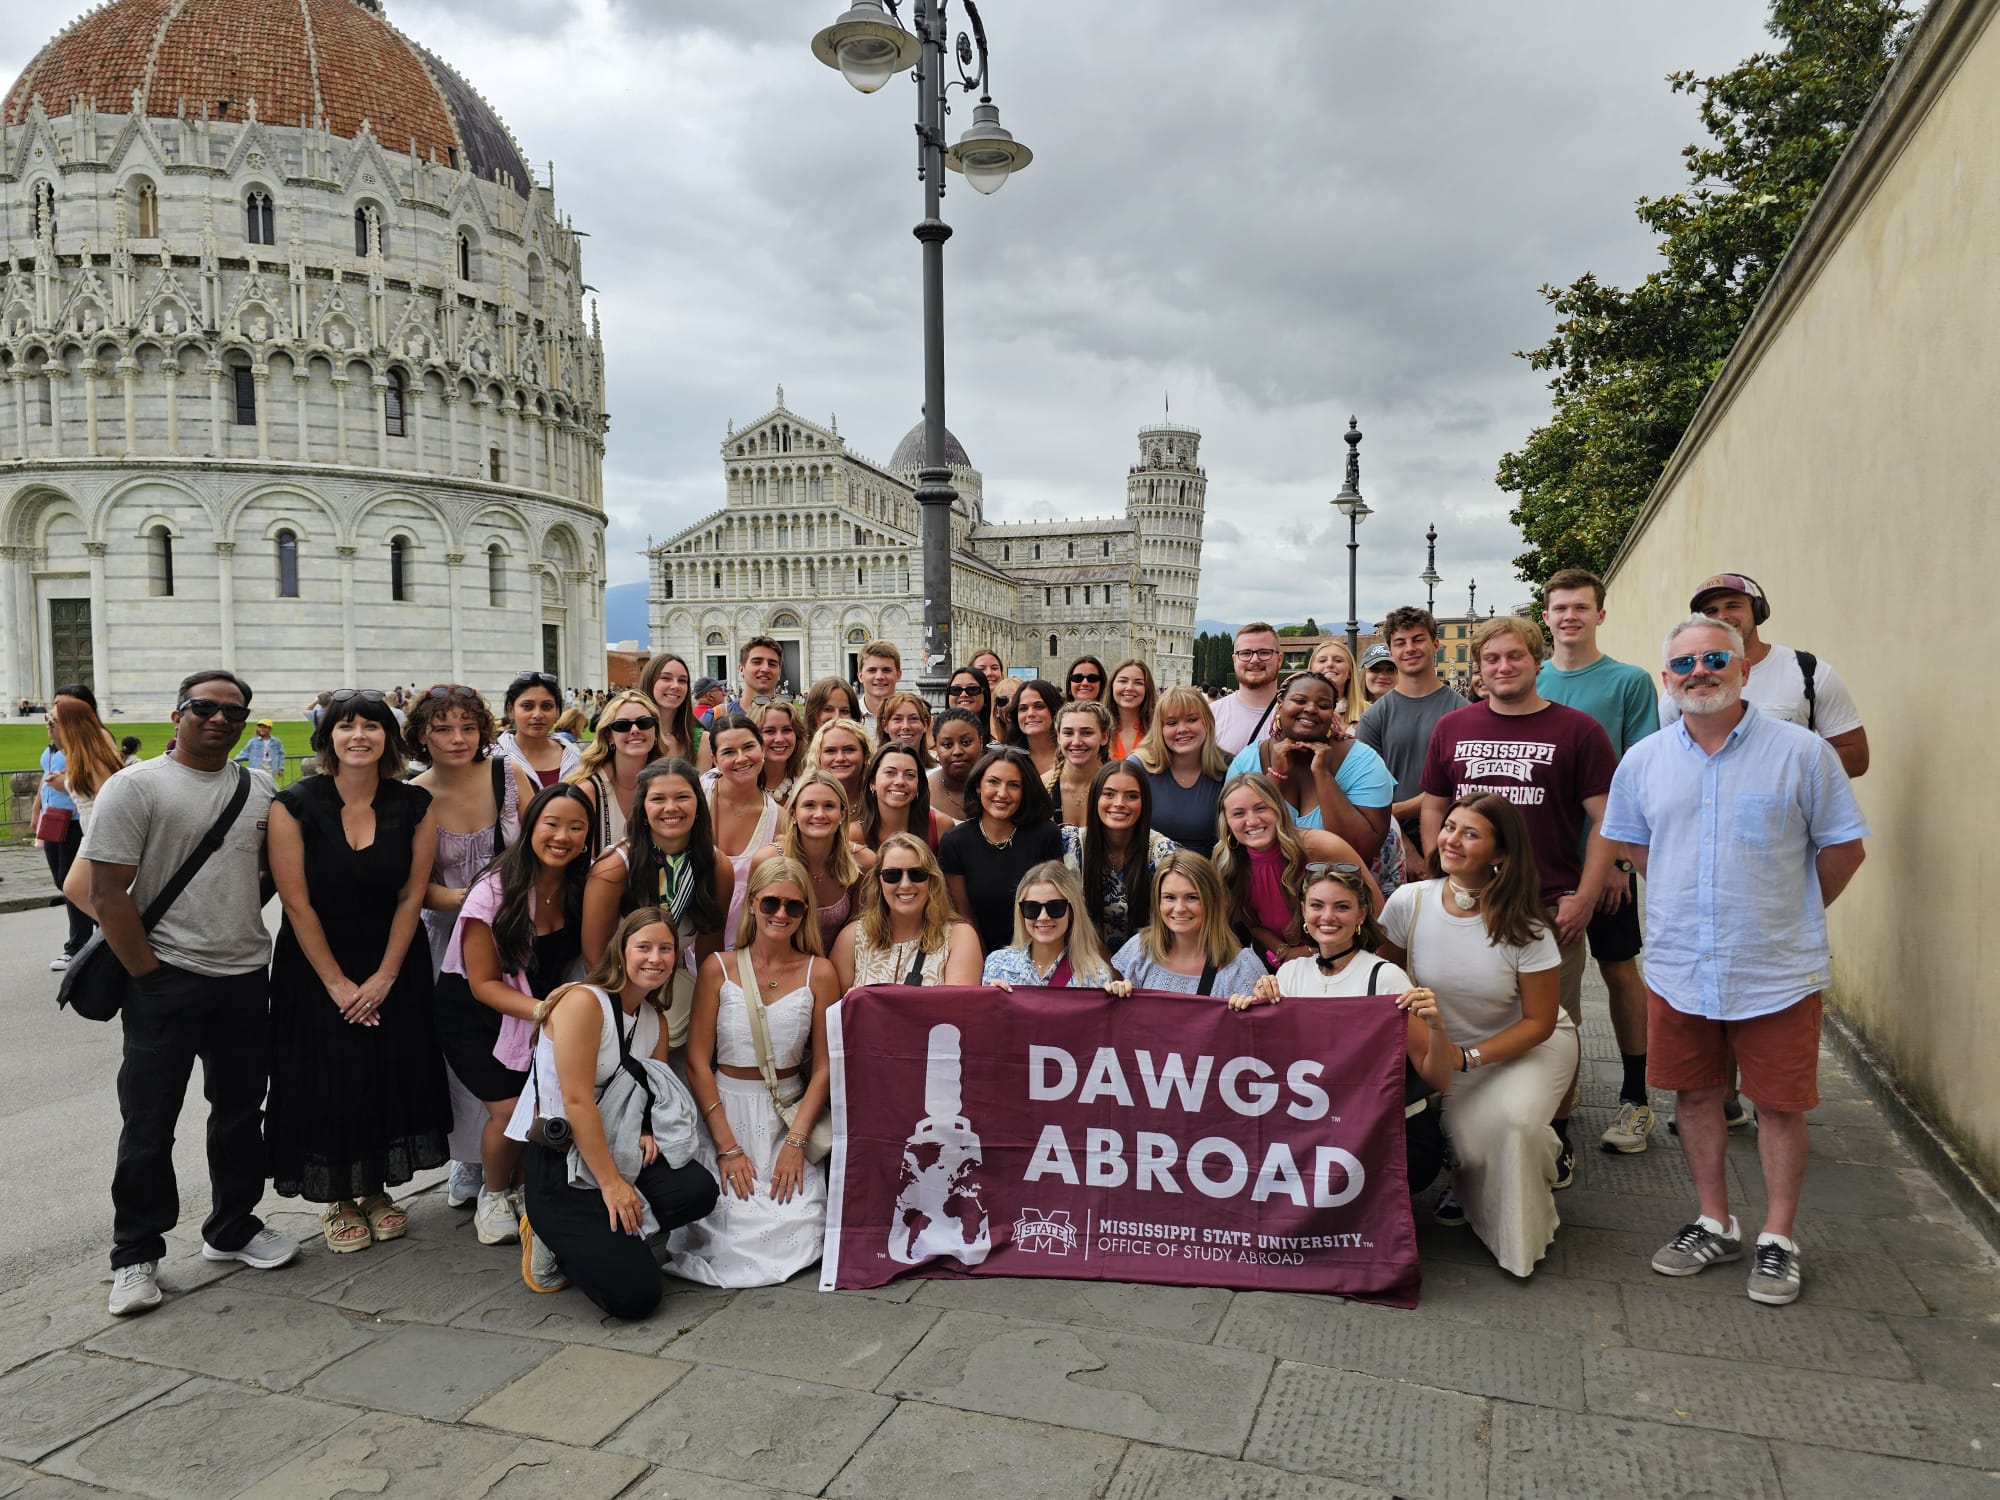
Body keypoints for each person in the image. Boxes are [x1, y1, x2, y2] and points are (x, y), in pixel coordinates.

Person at [1602, 616, 1868, 1306]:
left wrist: (1789, 911)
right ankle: (1713, 1221)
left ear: (1744, 667)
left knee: (1779, 1105)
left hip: (1775, 965)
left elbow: (1844, 848)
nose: (1700, 672)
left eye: (1714, 658)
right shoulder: (1645, 761)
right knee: (1694, 1094)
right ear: (1667, 680)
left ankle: (1779, 1237)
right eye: (1684, 665)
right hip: (1680, 962)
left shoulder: (1803, 754)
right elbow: (1637, 849)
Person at [83, 670, 296, 1315]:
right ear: (177, 714)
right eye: (204, 708)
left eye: (234, 712)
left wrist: (234, 917)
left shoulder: (258, 788)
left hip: (241, 975)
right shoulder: (136, 786)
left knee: (239, 1114)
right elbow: (101, 892)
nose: (219, 719)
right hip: (165, 980)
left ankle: (232, 1228)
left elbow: (265, 874)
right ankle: (135, 1255)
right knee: (148, 1122)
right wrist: (147, 974)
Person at [1420, 615, 1617, 1189]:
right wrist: (1440, 872)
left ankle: (1554, 1134)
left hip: (1547, 906)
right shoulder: (1454, 727)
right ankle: (1465, 1147)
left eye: (1514, 657)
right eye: (1491, 660)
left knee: (1556, 1029)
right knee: (1460, 1021)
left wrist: (1584, 893)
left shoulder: (1578, 731)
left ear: (1537, 661)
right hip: (1467, 907)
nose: (1502, 668)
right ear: (1478, 671)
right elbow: (1435, 805)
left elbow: (1606, 819)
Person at [265, 688, 450, 1255]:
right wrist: (340, 985)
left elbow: (412, 894)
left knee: (383, 1070)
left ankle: (374, 1192)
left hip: (392, 957)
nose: (359, 736)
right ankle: (337, 1198)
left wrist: (385, 978)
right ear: (328, 739)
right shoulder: (294, 805)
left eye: (371, 726)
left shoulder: (414, 805)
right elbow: (296, 904)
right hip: (316, 963)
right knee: (328, 1074)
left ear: (388, 739)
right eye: (346, 727)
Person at [1376, 794, 1573, 1277]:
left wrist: (1470, 1058)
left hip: (1521, 1048)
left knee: (1515, 1126)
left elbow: (1540, 1022)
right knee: (1468, 1148)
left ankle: (1523, 1228)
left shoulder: (1525, 926)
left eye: (1470, 833)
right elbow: (1382, 978)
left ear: (1500, 854)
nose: (1451, 840)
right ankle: (1520, 1162)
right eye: (1449, 827)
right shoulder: (1410, 902)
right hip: (1442, 1050)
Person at [511, 908, 720, 1314]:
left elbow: (650, 1088)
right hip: (563, 1163)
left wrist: (645, 1130)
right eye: (643, 947)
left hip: (619, 1149)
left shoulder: (655, 1021)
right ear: (621, 951)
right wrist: (611, 1184)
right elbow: (576, 1101)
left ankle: (614, 1236)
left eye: (665, 949)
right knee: (635, 1296)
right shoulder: (582, 1003)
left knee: (698, 1190)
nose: (655, 958)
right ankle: (547, 1233)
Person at [1536, 568, 1662, 1154]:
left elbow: (1637, 775)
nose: (1569, 617)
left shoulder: (1629, 683)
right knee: (1538, 987)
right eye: (1560, 607)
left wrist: (1615, 863)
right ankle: (1562, 1090)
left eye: (1581, 607)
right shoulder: (1528, 679)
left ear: (1599, 615)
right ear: (1546, 616)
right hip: (1539, 867)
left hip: (1602, 858)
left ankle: (1636, 1098)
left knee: (1617, 970)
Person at [669, 858, 840, 1286]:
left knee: (796, 1223)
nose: (780, 914)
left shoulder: (819, 972)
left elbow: (824, 1067)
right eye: (771, 903)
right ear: (752, 905)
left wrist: (797, 1143)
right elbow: (696, 1061)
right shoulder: (719, 968)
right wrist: (726, 1147)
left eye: (794, 907)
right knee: (726, 1230)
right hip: (726, 1110)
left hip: (787, 1114)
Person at [1241, 862, 1458, 1193]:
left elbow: (1437, 1078)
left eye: (1341, 906)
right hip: (1313, 1124)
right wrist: (1248, 1011)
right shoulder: (1289, 975)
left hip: (1379, 1127)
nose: (1327, 916)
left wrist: (1436, 1027)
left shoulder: (1385, 977)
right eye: (1317, 905)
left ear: (1361, 915)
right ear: (1303, 911)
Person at [409, 684, 535, 1211]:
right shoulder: (415, 794)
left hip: (517, 933)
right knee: (461, 1052)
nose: (457, 739)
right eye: (442, 728)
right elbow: (412, 882)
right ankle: (470, 1156)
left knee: (515, 1043)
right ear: (421, 735)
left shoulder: (508, 775)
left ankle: (515, 1155)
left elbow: (541, 842)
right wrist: (473, 899)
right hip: (450, 933)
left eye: (467, 727)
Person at [1662, 572, 1868, 778]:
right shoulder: (1684, 687)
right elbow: (1666, 763)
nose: (1722, 617)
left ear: (1759, 611)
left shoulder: (1809, 672)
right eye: (1710, 611)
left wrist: (1780, 775)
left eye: (1733, 605)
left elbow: (1856, 757)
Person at [582, 761, 733, 1032]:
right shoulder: (614, 869)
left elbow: (709, 956)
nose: (671, 808)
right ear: (643, 810)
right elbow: (595, 960)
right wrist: (630, 1016)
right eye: (658, 799)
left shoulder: (717, 867)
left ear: (698, 804)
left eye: (682, 797)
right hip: (607, 991)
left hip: (670, 991)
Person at [1226, 670, 1398, 877]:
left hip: (1343, 892)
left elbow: (1361, 849)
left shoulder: (1364, 761)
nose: (1310, 709)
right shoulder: (1247, 761)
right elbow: (1236, 839)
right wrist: (1276, 777)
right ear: (1280, 706)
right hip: (1265, 886)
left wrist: (1323, 775)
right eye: (1299, 700)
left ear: (1332, 714)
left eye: (1323, 705)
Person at [1214, 772, 1382, 970]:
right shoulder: (1227, 863)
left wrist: (1309, 952)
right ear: (1226, 821)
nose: (1252, 821)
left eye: (1261, 808)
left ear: (1278, 809)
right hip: (1280, 968)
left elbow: (1377, 910)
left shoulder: (1321, 847)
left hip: (1344, 959)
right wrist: (1283, 951)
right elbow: (1249, 921)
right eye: (1239, 813)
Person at [1356, 606, 1466, 882]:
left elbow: (1461, 784)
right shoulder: (1374, 717)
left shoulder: (1463, 712)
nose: (1410, 649)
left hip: (1453, 837)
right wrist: (1408, 850)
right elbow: (1367, 793)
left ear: (1435, 644)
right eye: (1400, 643)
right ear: (1391, 651)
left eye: (1418, 639)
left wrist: (1395, 811)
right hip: (1391, 841)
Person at [939, 747, 1066, 955]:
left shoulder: (1046, 834)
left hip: (1041, 952)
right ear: (978, 785)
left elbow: (1057, 906)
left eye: (1014, 785)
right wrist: (986, 966)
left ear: (1024, 792)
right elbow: (965, 916)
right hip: (980, 955)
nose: (1002, 793)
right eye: (993, 782)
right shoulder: (955, 842)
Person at [831, 832, 982, 990]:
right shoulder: (852, 937)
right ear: (878, 880)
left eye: (917, 874)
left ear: (932, 879)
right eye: (892, 875)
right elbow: (834, 1011)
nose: (905, 884)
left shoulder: (959, 937)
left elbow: (958, 1008)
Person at [1105, 851, 1263, 1001]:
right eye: (1169, 897)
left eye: (1192, 897)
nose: (1179, 908)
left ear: (1212, 901)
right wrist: (1117, 995)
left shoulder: (1242, 968)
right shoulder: (1139, 950)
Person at [1060, 760, 1178, 952]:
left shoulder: (1163, 853)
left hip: (1146, 960)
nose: (1119, 804)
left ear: (1144, 802)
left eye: (1131, 796)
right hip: (1081, 959)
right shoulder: (1070, 845)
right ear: (1095, 798)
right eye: (1109, 794)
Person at [751, 772, 872, 952]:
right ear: (792, 813)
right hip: (777, 960)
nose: (819, 814)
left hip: (837, 965)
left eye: (829, 806)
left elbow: (857, 935)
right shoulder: (768, 859)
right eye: (809, 805)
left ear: (842, 814)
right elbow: (752, 927)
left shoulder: (863, 862)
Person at [705, 713, 784, 949]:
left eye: (749, 747)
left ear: (762, 749)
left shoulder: (778, 818)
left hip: (744, 944)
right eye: (729, 752)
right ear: (714, 760)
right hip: (689, 938)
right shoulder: (695, 796)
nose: (741, 758)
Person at [981, 861, 1115, 988]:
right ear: (1021, 913)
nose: (1043, 917)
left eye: (1055, 907)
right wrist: (991, 1002)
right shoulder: (997, 965)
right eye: (1032, 908)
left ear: (1072, 912)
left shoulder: (1096, 976)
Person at [32, 687, 92, 969]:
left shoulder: (87, 742)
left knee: (72, 886)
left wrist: (66, 783)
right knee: (62, 882)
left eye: (60, 707)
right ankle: (102, 931)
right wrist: (36, 810)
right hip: (53, 818)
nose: (52, 715)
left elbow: (98, 782)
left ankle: (78, 944)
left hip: (75, 821)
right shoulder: (55, 743)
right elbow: (46, 777)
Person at [1133, 684, 1230, 851]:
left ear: (1207, 722)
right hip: (1151, 873)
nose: (1182, 729)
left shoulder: (1228, 768)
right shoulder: (1138, 768)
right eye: (1172, 723)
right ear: (1160, 729)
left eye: (1192, 720)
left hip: (1207, 873)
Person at [571, 689, 665, 851]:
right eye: (622, 726)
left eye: (644, 723)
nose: (635, 730)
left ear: (655, 730)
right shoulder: (588, 792)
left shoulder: (669, 783)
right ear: (609, 735)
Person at [857, 741, 955, 852]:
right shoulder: (854, 835)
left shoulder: (940, 826)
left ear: (919, 785)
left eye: (910, 775)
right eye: (890, 772)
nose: (900, 781)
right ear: (872, 782)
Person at [497, 671, 582, 788]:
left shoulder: (575, 757)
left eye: (546, 706)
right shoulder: (492, 757)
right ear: (511, 710)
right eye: (527, 706)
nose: (537, 715)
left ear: (557, 711)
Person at [1212, 622, 1283, 755]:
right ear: (1234, 660)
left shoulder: (1299, 716)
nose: (1255, 660)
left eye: (1264, 652)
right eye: (1245, 653)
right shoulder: (1210, 717)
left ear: (1279, 659)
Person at [1047, 699, 1112, 828]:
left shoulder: (1119, 786)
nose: (1076, 741)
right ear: (1059, 737)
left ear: (1105, 737)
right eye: (1068, 733)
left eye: (1087, 733)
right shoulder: (1042, 786)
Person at [639, 651, 709, 769]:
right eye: (666, 678)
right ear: (649, 681)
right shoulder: (632, 734)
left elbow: (699, 786)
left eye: (682, 680)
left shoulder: (702, 740)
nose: (675, 686)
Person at [928, 707, 986, 822]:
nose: (957, 751)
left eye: (966, 742)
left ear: (981, 742)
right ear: (936, 747)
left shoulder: (999, 784)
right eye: (947, 745)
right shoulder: (920, 789)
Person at [803, 716, 872, 814]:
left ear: (865, 755)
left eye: (849, 750)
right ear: (818, 757)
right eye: (830, 751)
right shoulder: (803, 800)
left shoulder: (879, 801)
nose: (840, 758)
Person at [750, 698, 806, 805]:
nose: (779, 739)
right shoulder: (738, 784)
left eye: (787, 730)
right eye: (769, 731)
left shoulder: (808, 783)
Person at [1008, 678, 1063, 780]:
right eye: (1023, 708)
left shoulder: (1071, 756)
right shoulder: (1008, 760)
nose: (1030, 714)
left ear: (1055, 710)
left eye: (1039, 706)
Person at [1104, 658, 1156, 761]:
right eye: (1123, 681)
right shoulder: (1099, 728)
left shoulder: (1157, 729)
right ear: (1112, 685)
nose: (1129, 688)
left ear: (1147, 689)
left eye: (1138, 683)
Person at [1308, 639, 1368, 727]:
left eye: (1338, 660)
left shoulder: (1371, 712)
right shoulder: (1298, 709)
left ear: (1350, 672)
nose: (1329, 664)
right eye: (1322, 660)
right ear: (1311, 670)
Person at [725, 635, 788, 717]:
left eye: (772, 664)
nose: (765, 669)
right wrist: (702, 730)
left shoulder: (791, 719)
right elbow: (701, 729)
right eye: (757, 662)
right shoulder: (714, 715)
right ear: (741, 669)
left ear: (779, 673)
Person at [877, 690, 936, 769]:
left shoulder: (939, 772)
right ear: (885, 725)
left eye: (913, 719)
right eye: (897, 719)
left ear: (925, 725)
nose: (906, 726)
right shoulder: (871, 771)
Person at [857, 639, 902, 736]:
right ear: (860, 676)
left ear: (898, 675)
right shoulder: (851, 715)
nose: (879, 677)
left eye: (886, 670)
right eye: (872, 670)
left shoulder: (911, 716)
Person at [943, 667, 995, 744]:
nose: (964, 694)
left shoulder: (997, 749)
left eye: (973, 689)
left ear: (985, 695)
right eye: (956, 690)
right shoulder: (932, 748)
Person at [990, 676, 1025, 744]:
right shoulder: (991, 748)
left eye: (1017, 699)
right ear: (996, 711)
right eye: (1003, 700)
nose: (1010, 704)